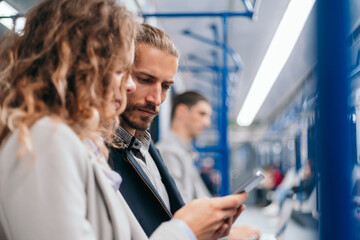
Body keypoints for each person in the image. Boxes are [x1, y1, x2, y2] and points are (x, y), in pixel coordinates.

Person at [0, 1, 246, 240]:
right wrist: (184, 230)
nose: (127, 85)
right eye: (119, 69)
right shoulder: (44, 140)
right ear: (80, 66)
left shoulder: (73, 142)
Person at [109, 23, 248, 240]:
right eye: (145, 79)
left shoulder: (146, 148)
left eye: (165, 86)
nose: (156, 99)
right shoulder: (102, 155)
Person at [156, 91, 261, 240]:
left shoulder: (185, 154)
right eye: (202, 114)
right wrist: (229, 237)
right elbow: (183, 213)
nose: (207, 122)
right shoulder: (169, 153)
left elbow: (201, 201)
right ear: (182, 111)